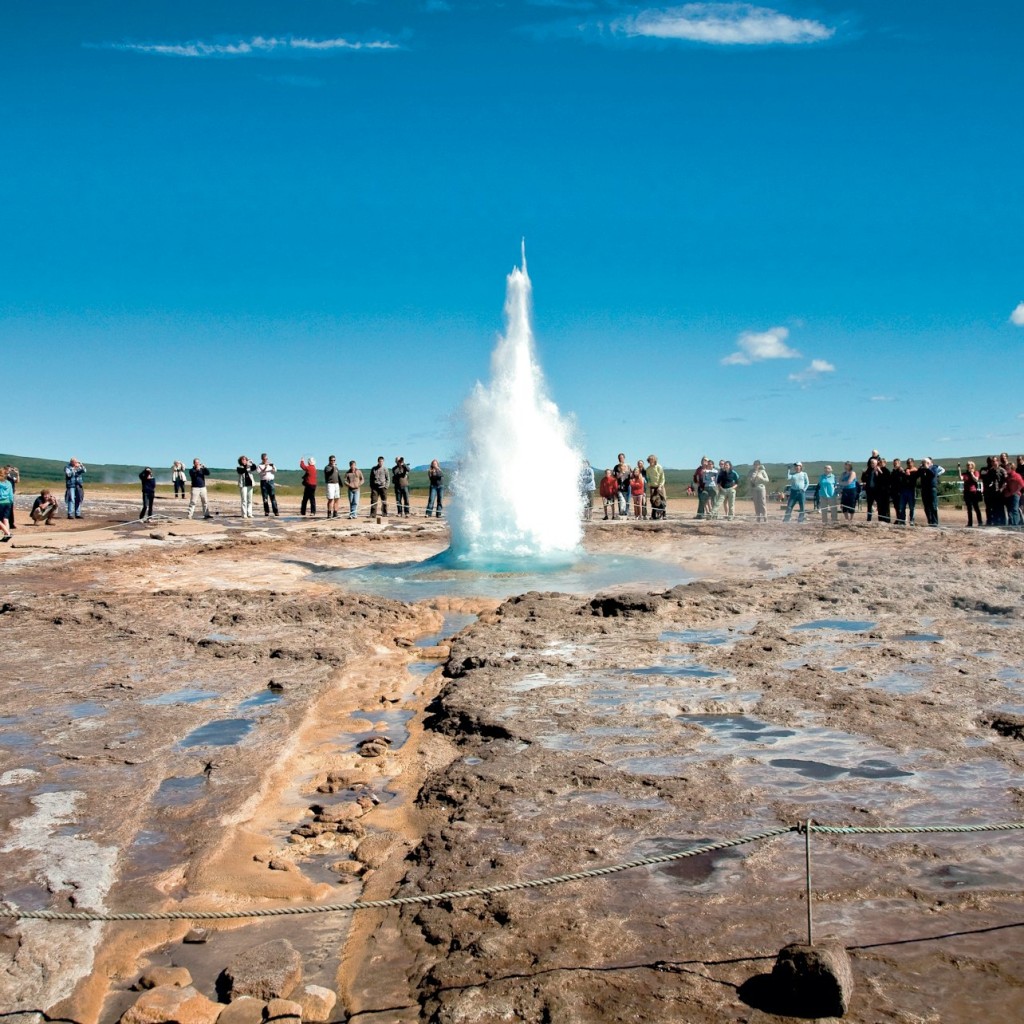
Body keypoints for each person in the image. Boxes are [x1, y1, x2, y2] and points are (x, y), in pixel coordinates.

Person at [918, 457, 944, 526]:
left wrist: (927, 468)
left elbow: (933, 474)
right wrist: (920, 468)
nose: (923, 464)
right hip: (924, 489)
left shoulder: (934, 467)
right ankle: (930, 521)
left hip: (932, 489)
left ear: (928, 463)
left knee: (933, 505)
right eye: (922, 463)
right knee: (926, 506)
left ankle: (935, 522)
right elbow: (917, 475)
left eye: (924, 463)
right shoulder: (922, 469)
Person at [981, 456, 1006, 526]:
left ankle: (1003, 522)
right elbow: (988, 480)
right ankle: (995, 522)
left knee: (1000, 508)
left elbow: (1005, 481)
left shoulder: (1002, 470)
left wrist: (1001, 489)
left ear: (997, 461)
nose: (993, 462)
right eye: (992, 461)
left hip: (1000, 492)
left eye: (995, 461)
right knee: (994, 508)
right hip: (992, 492)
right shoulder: (990, 471)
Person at [959, 461, 983, 527]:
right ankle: (970, 523)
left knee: (976, 507)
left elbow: (976, 480)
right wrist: (959, 471)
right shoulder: (965, 474)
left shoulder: (976, 472)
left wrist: (972, 473)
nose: (968, 466)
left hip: (974, 492)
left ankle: (980, 522)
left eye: (970, 465)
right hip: (967, 492)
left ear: (972, 466)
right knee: (969, 508)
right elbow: (961, 478)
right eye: (967, 465)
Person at [1003, 461, 1023, 526]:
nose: (1006, 469)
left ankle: (1016, 524)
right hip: (1009, 495)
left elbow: (1021, 485)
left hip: (1015, 495)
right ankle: (1011, 522)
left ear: (1012, 468)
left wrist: (1015, 492)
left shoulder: (1016, 475)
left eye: (1008, 468)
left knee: (1014, 509)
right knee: (1010, 510)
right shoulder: (1008, 477)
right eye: (1006, 468)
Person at [646, 455, 666, 521]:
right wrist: (649, 484)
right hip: (652, 486)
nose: (651, 461)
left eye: (652, 459)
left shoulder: (659, 467)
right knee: (652, 500)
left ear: (655, 460)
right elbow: (648, 478)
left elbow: (662, 477)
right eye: (650, 459)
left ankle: (664, 515)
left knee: (662, 500)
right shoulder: (648, 469)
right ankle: (653, 515)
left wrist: (660, 486)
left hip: (659, 486)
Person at [613, 454, 632, 518]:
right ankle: (621, 513)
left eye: (622, 457)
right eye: (619, 458)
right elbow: (614, 476)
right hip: (619, 486)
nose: (620, 459)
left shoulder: (628, 466)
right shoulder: (616, 467)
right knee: (621, 500)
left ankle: (626, 513)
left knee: (627, 500)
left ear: (624, 458)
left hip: (627, 486)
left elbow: (632, 476)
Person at [0, 468, 13, 543]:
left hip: (0, 502)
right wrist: (11, 502)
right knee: (6, 519)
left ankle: (7, 533)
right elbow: (11, 494)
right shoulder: (8, 483)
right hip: (8, 502)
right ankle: (6, 535)